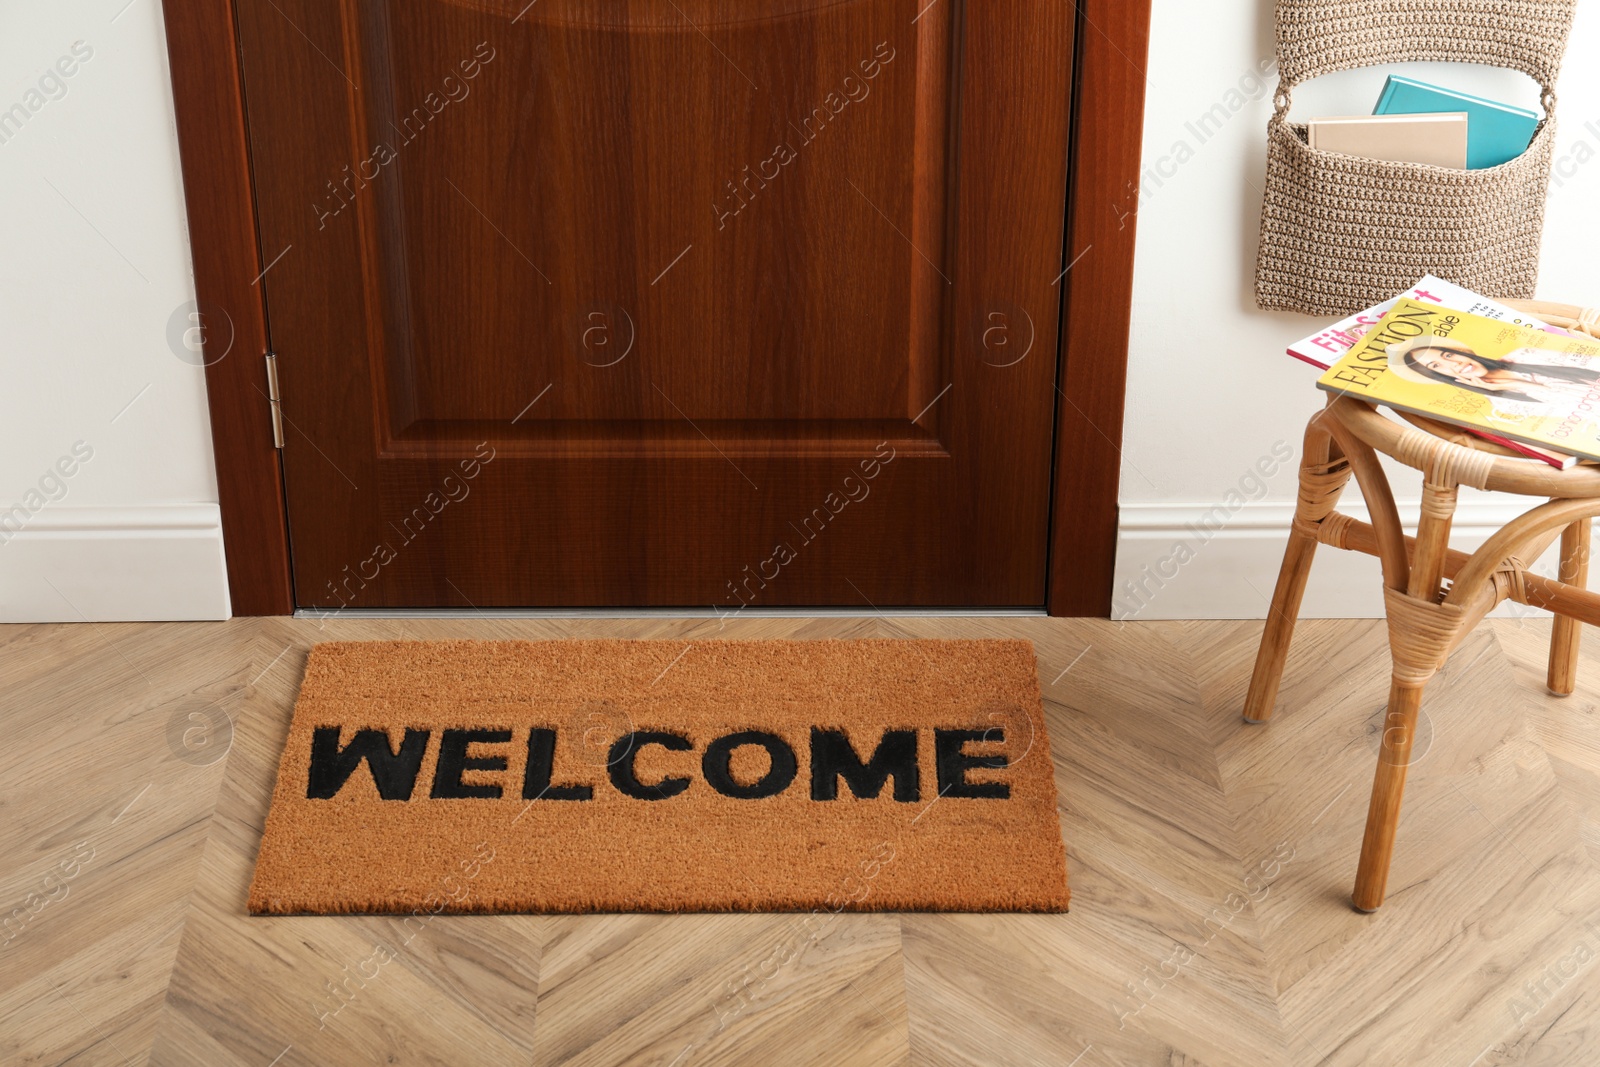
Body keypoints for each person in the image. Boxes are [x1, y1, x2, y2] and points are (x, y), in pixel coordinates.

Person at [1386, 335, 1600, 408]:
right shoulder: (1504, 404)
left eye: (1448, 355)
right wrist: (1519, 385)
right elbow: (1580, 408)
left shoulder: (1524, 354)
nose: (1454, 364)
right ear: (1439, 376)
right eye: (1436, 366)